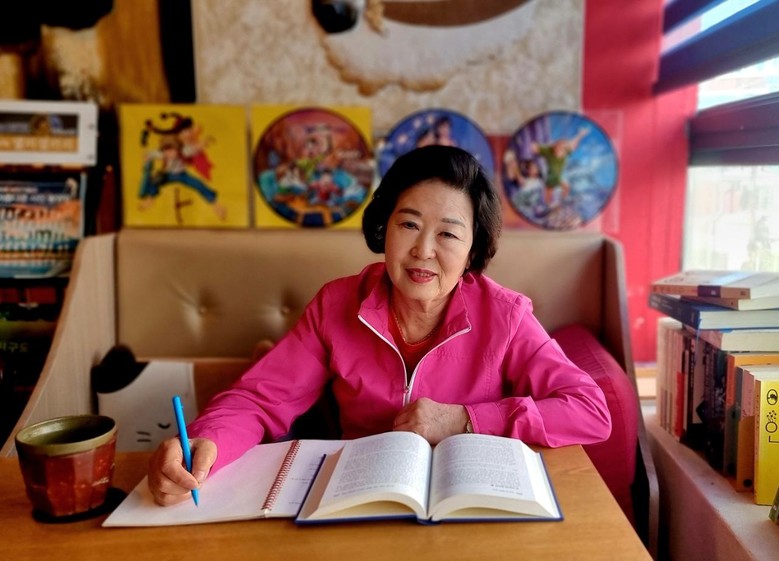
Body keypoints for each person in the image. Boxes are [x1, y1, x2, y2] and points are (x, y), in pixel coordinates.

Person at [147, 145, 612, 506]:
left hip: (470, 508)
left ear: (472, 250)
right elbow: (258, 399)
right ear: (384, 227)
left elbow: (589, 409)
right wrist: (206, 444)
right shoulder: (336, 305)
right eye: (408, 225)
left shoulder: (505, 316)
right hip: (359, 502)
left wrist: (464, 419)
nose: (423, 250)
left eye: (448, 234)